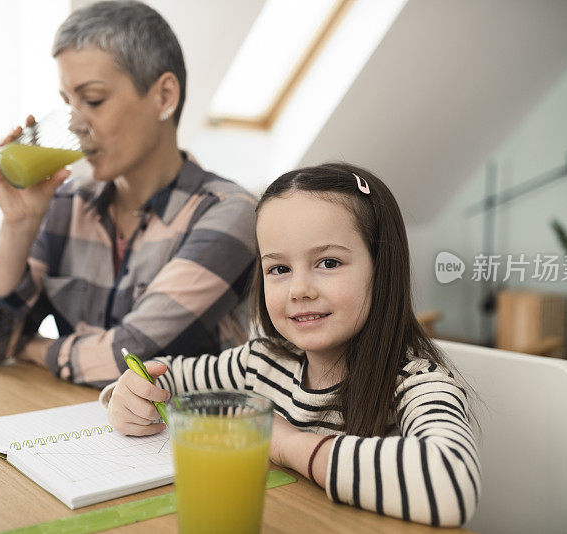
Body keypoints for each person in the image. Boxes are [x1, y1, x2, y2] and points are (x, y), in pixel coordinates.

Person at [103, 162, 481, 527]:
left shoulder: (417, 383)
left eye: (329, 262)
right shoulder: (261, 362)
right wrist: (131, 394)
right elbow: (165, 378)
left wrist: (288, 444)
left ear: (382, 268)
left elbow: (451, 482)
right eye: (279, 269)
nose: (299, 290)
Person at [0, 1, 256, 388]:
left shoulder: (227, 214)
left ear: (164, 97)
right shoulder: (65, 203)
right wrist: (18, 222)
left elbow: (130, 356)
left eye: (93, 100)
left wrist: (32, 348)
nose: (75, 123)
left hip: (180, 440)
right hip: (84, 429)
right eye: (68, 103)